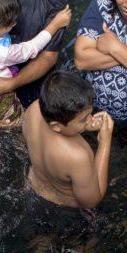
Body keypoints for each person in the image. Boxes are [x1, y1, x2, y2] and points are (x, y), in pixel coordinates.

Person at [22, 71, 114, 211]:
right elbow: (91, 202)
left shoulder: (34, 110)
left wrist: (83, 125)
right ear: (57, 126)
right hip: (64, 209)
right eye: (84, 119)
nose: (91, 119)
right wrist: (105, 142)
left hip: (31, 187)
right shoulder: (77, 156)